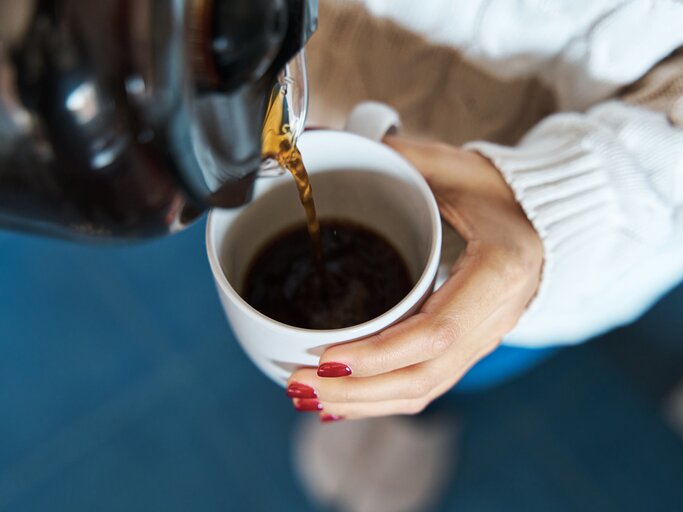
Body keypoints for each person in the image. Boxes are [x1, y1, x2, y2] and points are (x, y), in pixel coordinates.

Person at [284, 1, 683, 510]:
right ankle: (391, 404)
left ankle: (424, 414)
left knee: (475, 349)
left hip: (563, 222)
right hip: (314, 89)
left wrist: (562, 206)